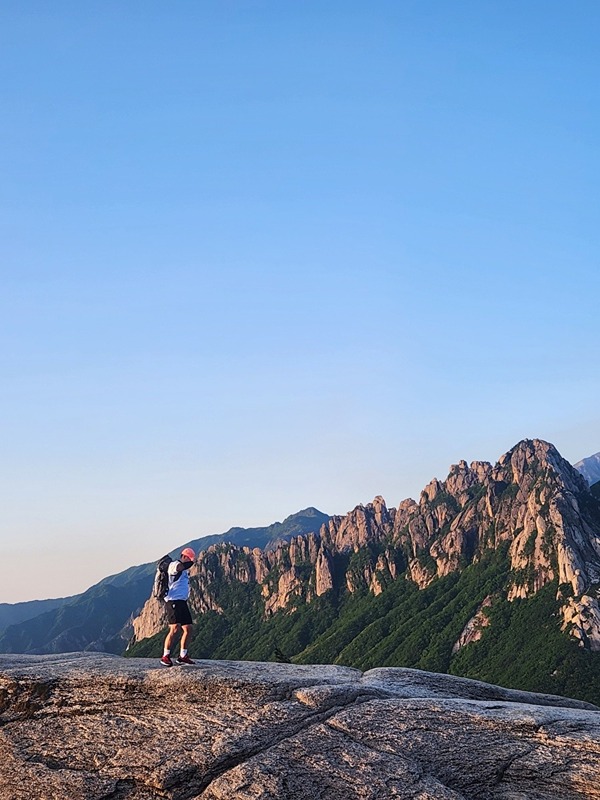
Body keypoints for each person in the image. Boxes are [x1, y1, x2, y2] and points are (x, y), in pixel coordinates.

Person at [160, 547, 196, 666]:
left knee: (188, 628)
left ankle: (183, 656)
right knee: (174, 628)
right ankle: (165, 656)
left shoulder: (185, 571)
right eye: (189, 559)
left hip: (182, 602)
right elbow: (177, 568)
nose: (191, 562)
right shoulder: (174, 565)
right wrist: (187, 564)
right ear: (184, 557)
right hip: (172, 601)